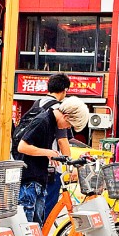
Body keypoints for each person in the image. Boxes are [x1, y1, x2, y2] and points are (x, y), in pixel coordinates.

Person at [17, 96, 90, 226]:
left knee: (36, 227)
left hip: (39, 179)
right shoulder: (43, 121)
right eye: (69, 125)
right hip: (30, 180)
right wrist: (48, 152)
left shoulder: (51, 122)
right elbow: (22, 147)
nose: (67, 128)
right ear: (66, 116)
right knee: (26, 228)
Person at [41, 73, 73, 221]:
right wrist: (70, 164)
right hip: (51, 166)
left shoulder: (37, 103)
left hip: (33, 162)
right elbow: (62, 140)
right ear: (65, 90)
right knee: (48, 208)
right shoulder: (58, 110)